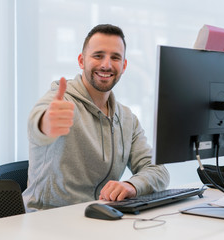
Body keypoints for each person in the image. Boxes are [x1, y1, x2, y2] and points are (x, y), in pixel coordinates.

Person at [23, 24, 169, 212]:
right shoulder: (62, 102)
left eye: (115, 57)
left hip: (100, 216)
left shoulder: (127, 119)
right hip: (49, 220)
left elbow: (158, 170)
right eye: (98, 55)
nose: (106, 64)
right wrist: (46, 124)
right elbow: (37, 123)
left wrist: (132, 186)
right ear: (81, 61)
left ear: (123, 66)